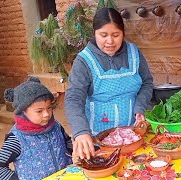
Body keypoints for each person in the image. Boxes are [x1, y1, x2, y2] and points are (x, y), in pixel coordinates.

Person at [65, 7, 153, 160]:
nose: (110, 41)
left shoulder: (134, 52)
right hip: (97, 139)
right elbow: (74, 98)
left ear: (123, 33)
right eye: (103, 35)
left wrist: (140, 108)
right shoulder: (84, 60)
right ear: (94, 33)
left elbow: (147, 82)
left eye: (116, 35)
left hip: (132, 135)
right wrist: (80, 132)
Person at [0, 77, 73, 180]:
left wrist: (79, 152)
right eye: (39, 111)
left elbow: (68, 143)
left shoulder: (56, 126)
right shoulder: (17, 139)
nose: (46, 114)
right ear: (23, 112)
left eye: (49, 108)